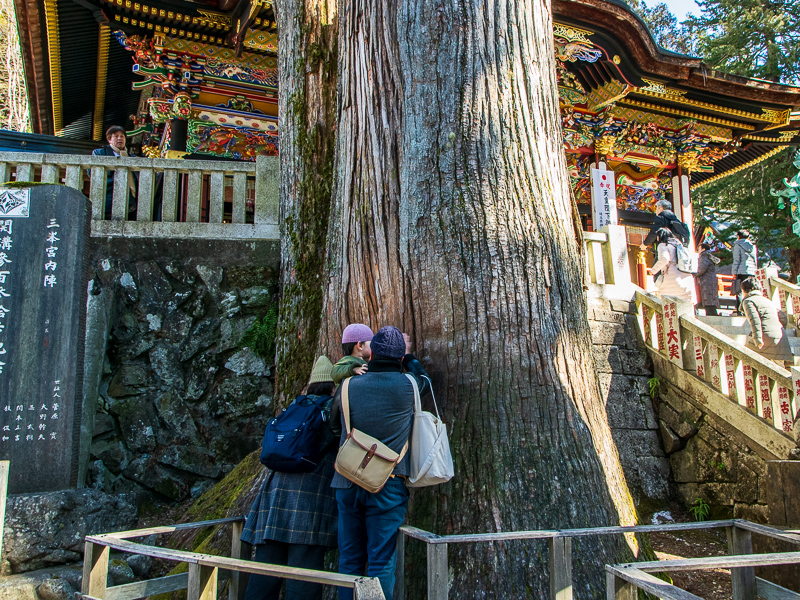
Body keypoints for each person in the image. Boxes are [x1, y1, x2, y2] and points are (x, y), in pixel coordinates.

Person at [330, 326, 431, 600]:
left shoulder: (347, 385)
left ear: (371, 353)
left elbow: (332, 424)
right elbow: (425, 379)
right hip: (388, 481)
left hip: (347, 479)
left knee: (349, 558)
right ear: (399, 357)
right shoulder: (409, 385)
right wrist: (409, 358)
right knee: (381, 561)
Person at [240, 356, 338, 600]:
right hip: (309, 501)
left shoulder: (295, 407)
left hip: (274, 499)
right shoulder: (331, 410)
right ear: (333, 386)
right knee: (303, 577)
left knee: (265, 572)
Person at [741, 278, 793, 366]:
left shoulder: (748, 301)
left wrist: (758, 339)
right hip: (781, 338)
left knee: (743, 355)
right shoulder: (768, 301)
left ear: (744, 290)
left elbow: (755, 320)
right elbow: (784, 318)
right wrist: (778, 332)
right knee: (779, 368)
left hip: (765, 338)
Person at [92, 125, 137, 220]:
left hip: (130, 199)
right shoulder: (100, 153)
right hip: (108, 196)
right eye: (116, 136)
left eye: (122, 136)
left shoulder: (132, 157)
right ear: (109, 139)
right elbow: (93, 173)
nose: (119, 138)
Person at [651, 228, 694, 302]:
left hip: (671, 279)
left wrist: (653, 271)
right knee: (683, 304)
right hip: (685, 280)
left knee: (667, 303)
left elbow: (664, 259)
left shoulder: (663, 245)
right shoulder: (680, 245)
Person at [732, 229, 757, 311]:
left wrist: (734, 272)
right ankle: (750, 309)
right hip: (751, 271)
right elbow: (755, 260)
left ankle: (740, 310)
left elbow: (737, 260)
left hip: (741, 271)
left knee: (740, 291)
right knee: (750, 290)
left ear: (738, 236)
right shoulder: (752, 246)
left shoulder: (738, 245)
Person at [696, 242, 721, 316]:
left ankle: (711, 314)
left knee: (708, 297)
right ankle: (713, 313)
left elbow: (702, 269)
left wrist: (696, 274)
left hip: (706, 279)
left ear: (703, 249)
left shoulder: (704, 256)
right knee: (711, 297)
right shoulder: (709, 256)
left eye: (699, 249)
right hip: (711, 278)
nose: (698, 251)